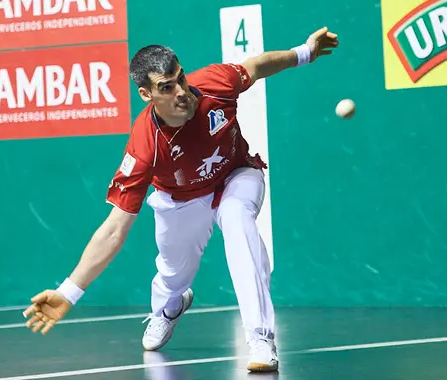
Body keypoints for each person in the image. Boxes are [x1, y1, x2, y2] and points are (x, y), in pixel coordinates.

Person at [22, 27, 339, 372]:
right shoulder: (145, 146)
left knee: (238, 220)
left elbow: (258, 65)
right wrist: (68, 292)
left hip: (236, 176)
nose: (181, 92)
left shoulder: (215, 83)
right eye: (166, 87)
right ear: (146, 95)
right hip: (180, 199)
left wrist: (305, 52)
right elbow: (114, 229)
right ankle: (170, 307)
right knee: (174, 275)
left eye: (180, 79)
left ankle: (260, 338)